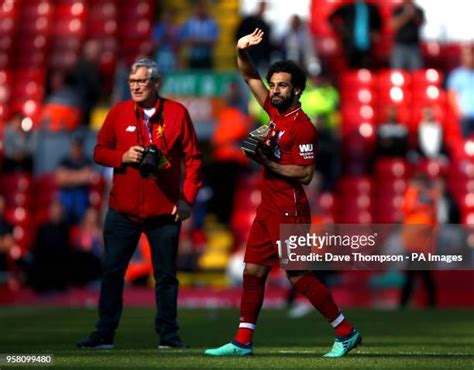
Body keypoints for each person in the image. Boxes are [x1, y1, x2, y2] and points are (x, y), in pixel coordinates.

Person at [204, 29, 361, 358]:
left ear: (297, 90)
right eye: (273, 84)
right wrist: (240, 49)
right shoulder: (275, 112)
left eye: (281, 85)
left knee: (299, 275)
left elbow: (305, 174)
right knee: (253, 271)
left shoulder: (303, 126)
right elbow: (249, 76)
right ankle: (242, 342)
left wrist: (267, 161)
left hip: (290, 209)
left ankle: (345, 332)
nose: (274, 89)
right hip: (268, 209)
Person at [77, 58, 202, 349]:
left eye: (141, 81)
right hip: (123, 210)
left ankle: (169, 335)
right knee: (112, 273)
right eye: (132, 81)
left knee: (166, 277)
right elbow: (98, 152)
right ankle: (104, 333)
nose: (135, 86)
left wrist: (187, 200)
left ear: (156, 83)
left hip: (164, 211)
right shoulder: (118, 113)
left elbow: (194, 159)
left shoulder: (177, 113)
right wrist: (122, 157)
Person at [329, 0, 382, 69]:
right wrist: (340, 29)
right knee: (351, 66)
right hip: (350, 42)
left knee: (366, 67)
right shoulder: (348, 7)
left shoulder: (372, 7)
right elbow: (331, 17)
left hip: (367, 42)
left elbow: (378, 23)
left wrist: (376, 32)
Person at [179, 1, 219, 69]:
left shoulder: (211, 23)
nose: (200, 11)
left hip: (206, 57)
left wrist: (199, 42)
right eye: (198, 8)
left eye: (202, 8)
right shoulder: (189, 22)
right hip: (192, 57)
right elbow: (183, 38)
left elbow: (214, 40)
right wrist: (191, 41)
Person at [447, 44, 474, 139]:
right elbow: (452, 96)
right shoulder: (456, 75)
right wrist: (460, 113)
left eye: (471, 55)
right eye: (466, 56)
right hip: (465, 117)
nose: (469, 58)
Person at [390, 0, 425, 70]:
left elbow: (421, 23)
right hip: (399, 46)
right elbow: (393, 25)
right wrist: (406, 14)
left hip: (414, 46)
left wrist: (413, 14)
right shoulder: (398, 10)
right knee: (397, 71)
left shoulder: (418, 10)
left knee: (416, 72)